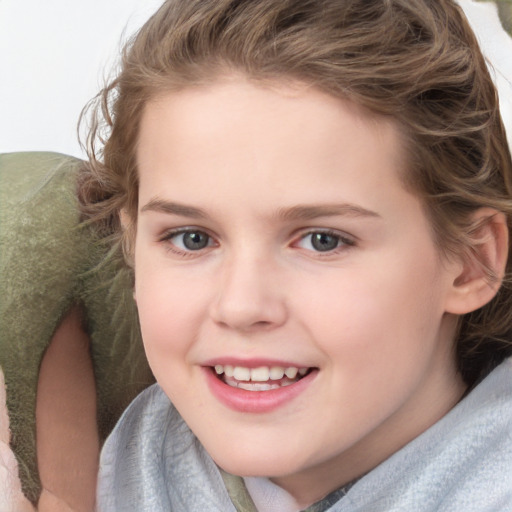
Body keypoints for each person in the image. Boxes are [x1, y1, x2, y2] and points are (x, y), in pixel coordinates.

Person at [75, 0, 512, 510]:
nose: (240, 306)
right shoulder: (137, 452)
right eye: (191, 238)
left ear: (470, 261)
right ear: (132, 244)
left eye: (322, 240)